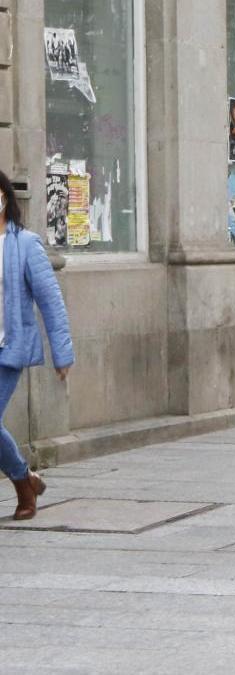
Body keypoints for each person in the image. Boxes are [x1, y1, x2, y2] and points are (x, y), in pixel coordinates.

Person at [0, 170, 73, 520]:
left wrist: (62, 354)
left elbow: (50, 300)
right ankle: (25, 477)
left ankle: (21, 482)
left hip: (7, 350)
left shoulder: (24, 243)